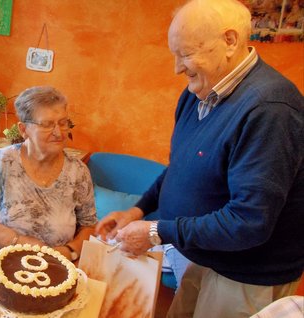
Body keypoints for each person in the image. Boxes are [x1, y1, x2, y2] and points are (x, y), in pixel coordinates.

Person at [95, 0, 304, 317]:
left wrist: (156, 232)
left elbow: (249, 222)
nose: (177, 68)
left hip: (244, 277)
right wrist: (138, 210)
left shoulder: (270, 109)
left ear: (230, 41)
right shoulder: (197, 94)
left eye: (185, 54)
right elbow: (179, 169)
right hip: (201, 256)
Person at [0, 86, 97, 262]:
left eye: (63, 123)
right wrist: (19, 242)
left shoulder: (78, 171)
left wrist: (70, 251)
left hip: (51, 267)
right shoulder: (2, 163)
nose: (58, 132)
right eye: (47, 124)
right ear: (23, 130)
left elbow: (89, 225)